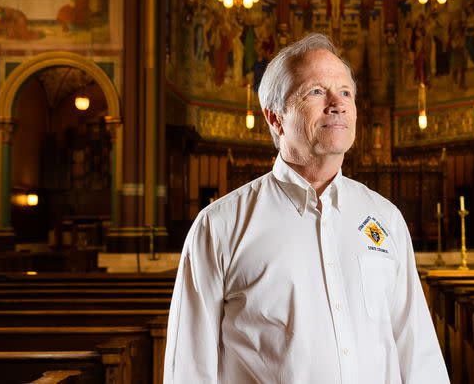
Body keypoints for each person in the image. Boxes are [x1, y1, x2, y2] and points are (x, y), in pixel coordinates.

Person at [164, 33, 449, 384]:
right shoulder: (219, 227)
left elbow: (416, 349)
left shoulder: (385, 217)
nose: (338, 104)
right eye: (316, 92)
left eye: (345, 92)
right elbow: (189, 370)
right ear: (275, 118)